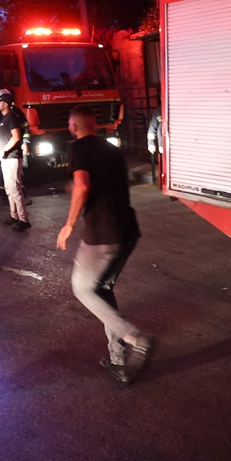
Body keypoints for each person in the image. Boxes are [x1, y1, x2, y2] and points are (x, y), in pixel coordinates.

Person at [57, 105, 155, 385]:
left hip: (104, 232)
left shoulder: (78, 148)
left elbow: (83, 185)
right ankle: (118, 358)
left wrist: (69, 224)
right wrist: (75, 189)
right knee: (102, 288)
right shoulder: (110, 149)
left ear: (74, 126)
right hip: (127, 231)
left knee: (82, 288)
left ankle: (137, 339)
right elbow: (102, 184)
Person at [0, 90, 30, 232]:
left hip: (12, 158)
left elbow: (16, 137)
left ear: (5, 104)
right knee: (9, 189)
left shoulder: (11, 117)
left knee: (15, 189)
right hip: (6, 158)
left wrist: (3, 151)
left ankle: (23, 220)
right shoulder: (4, 118)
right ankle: (14, 216)